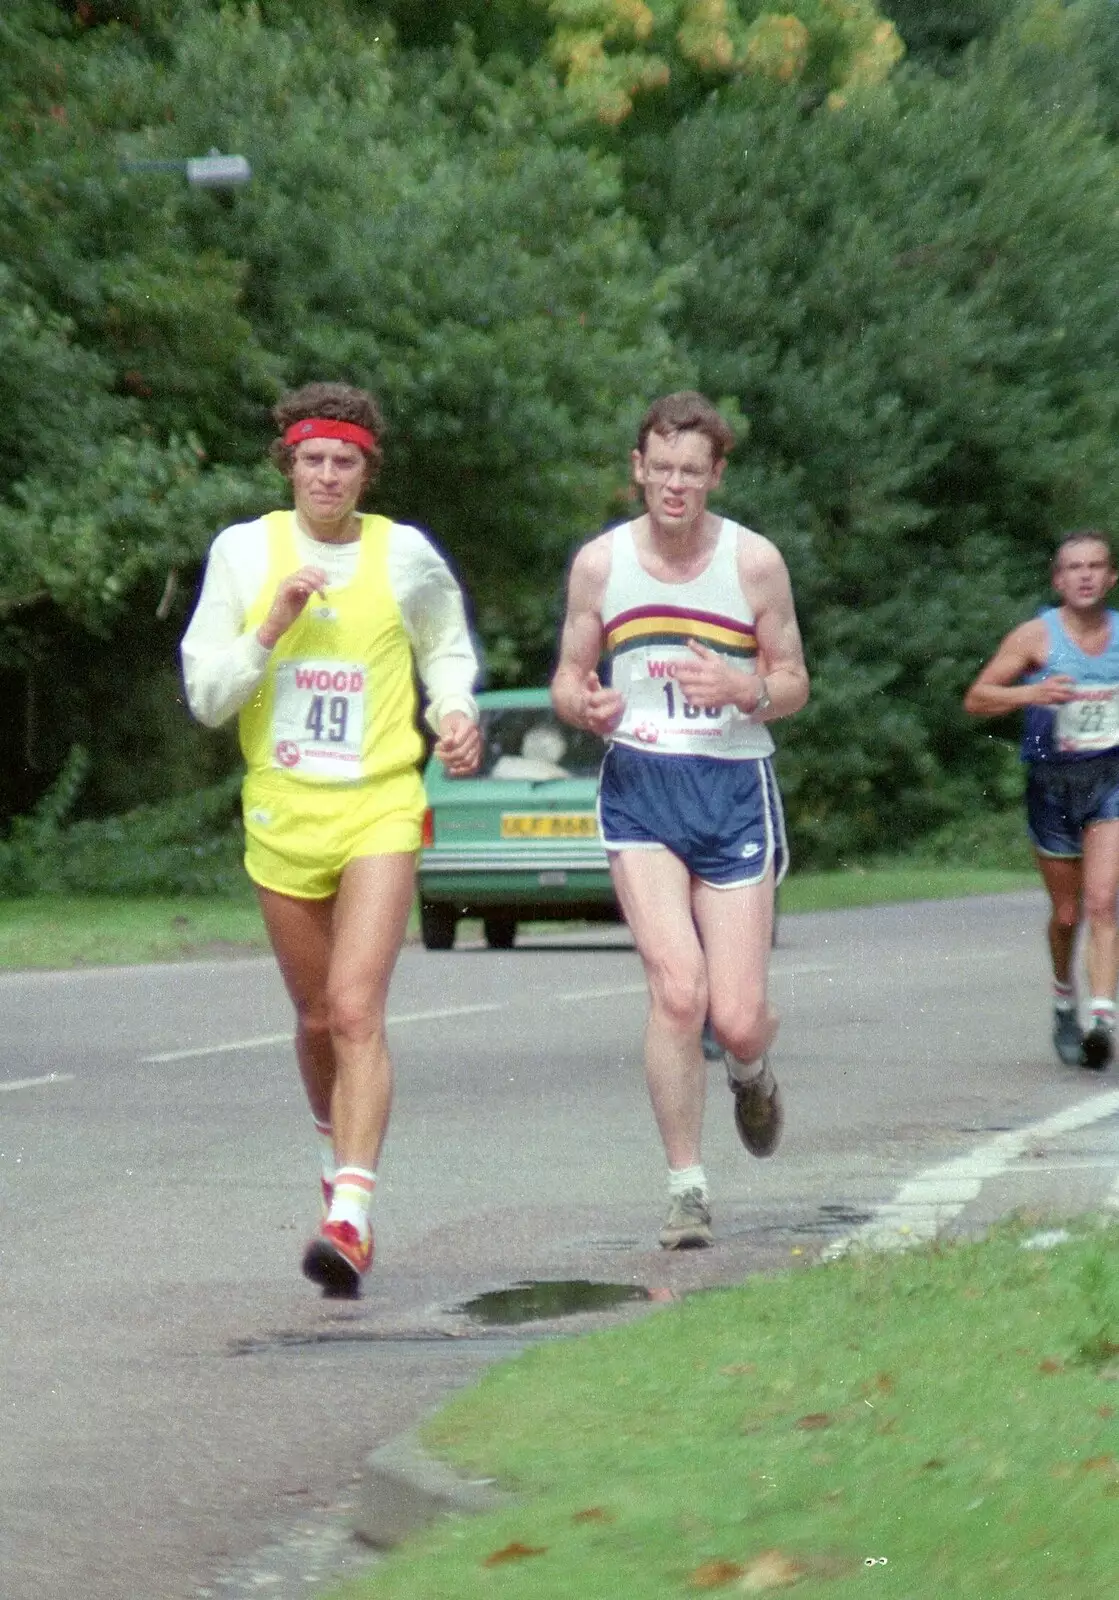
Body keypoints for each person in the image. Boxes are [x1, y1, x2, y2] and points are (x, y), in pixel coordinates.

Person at [181, 381, 481, 1295]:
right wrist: (270, 625)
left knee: (356, 1008)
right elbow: (205, 698)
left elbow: (446, 646)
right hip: (283, 808)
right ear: (289, 464)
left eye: (343, 460)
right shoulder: (244, 553)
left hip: (380, 802)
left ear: (365, 470)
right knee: (315, 1019)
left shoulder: (405, 556)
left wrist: (456, 709)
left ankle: (350, 1215)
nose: (325, 475)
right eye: (311, 459)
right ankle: (332, 1156)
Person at [550, 391, 809, 1248]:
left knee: (734, 1016)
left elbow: (794, 682)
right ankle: (686, 1189)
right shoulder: (600, 565)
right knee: (676, 990)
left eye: (690, 473)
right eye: (659, 469)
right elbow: (567, 675)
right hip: (641, 789)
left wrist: (746, 690)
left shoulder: (754, 563)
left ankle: (751, 1071)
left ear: (714, 476)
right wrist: (582, 705)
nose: (673, 486)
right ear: (637, 467)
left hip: (733, 788)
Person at [963, 531, 1119, 1072]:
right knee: (1068, 912)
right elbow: (977, 697)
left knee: (1102, 902)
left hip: (1110, 780)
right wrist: (1033, 692)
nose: (1085, 576)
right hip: (1052, 785)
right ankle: (1063, 999)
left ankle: (1102, 1020)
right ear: (1058, 580)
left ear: (1111, 577)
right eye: (1074, 567)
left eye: (1096, 566)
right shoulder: (1037, 636)